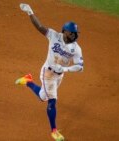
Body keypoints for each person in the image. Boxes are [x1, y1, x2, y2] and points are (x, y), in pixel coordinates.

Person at [15, 3, 84, 141]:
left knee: (42, 97)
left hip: (59, 76)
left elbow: (80, 66)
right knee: (52, 101)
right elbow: (40, 27)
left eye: (75, 33)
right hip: (47, 73)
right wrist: (30, 12)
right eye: (72, 33)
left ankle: (28, 81)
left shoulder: (76, 48)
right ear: (65, 31)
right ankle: (54, 130)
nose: (74, 35)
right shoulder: (53, 35)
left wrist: (65, 69)